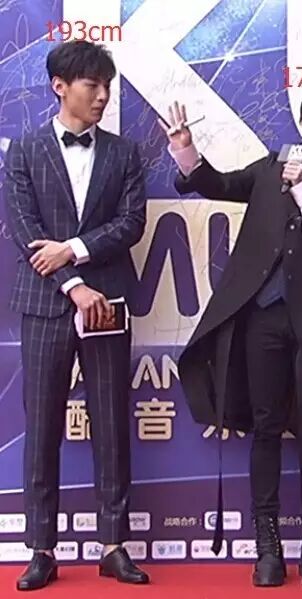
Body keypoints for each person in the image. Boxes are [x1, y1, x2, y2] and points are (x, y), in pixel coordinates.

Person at [160, 80, 302, 586]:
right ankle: (268, 546)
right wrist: (186, 151)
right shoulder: (274, 164)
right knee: (266, 426)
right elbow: (221, 184)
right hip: (262, 317)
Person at [4, 41, 149, 590]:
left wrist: (74, 251)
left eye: (107, 85)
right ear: (60, 86)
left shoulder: (124, 152)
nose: (103, 96)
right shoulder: (24, 149)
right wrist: (72, 282)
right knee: (43, 428)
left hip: (108, 304)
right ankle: (41, 549)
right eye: (92, 85)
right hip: (47, 304)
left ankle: (114, 545)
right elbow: (24, 229)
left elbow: (131, 223)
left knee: (111, 424)